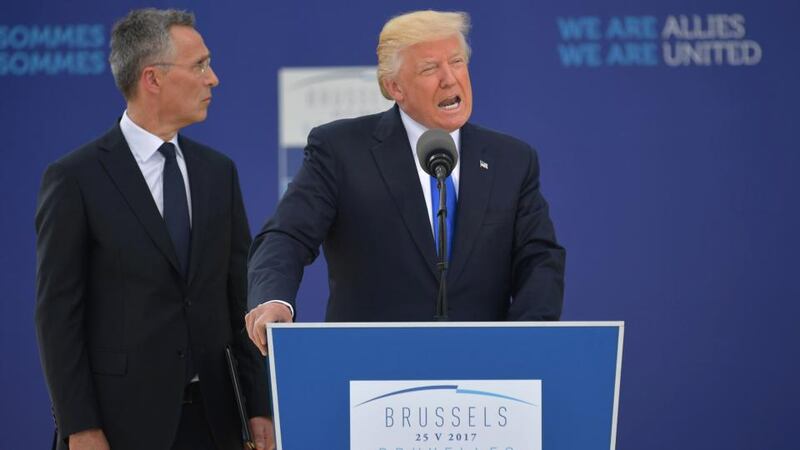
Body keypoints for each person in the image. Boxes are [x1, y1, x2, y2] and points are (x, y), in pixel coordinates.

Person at [245, 10, 565, 354]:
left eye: (456, 62)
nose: (449, 79)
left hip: (484, 372)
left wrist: (528, 342)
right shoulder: (341, 150)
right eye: (430, 68)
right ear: (394, 86)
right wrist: (273, 299)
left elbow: (539, 257)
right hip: (369, 370)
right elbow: (287, 235)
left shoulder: (511, 159)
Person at [34, 8, 272, 450]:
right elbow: (58, 317)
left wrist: (259, 405)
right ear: (153, 79)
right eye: (199, 65)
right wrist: (79, 426)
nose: (213, 78)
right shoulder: (75, 179)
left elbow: (240, 299)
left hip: (215, 422)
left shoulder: (218, 174)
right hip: (118, 426)